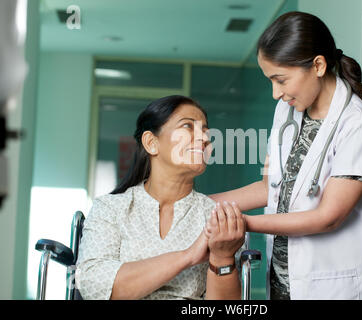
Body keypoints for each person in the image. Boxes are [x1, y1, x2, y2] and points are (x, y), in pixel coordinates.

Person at [208, 11, 362, 300]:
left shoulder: (359, 124)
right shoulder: (287, 111)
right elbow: (268, 188)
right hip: (284, 283)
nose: (275, 93)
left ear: (318, 65)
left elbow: (328, 217)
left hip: (335, 287)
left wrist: (239, 223)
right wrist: (199, 205)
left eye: (280, 80)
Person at [75, 95, 245, 300]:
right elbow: (94, 286)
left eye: (205, 131)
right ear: (151, 143)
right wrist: (188, 256)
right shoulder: (110, 209)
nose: (204, 138)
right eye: (188, 127)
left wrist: (222, 257)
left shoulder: (215, 219)